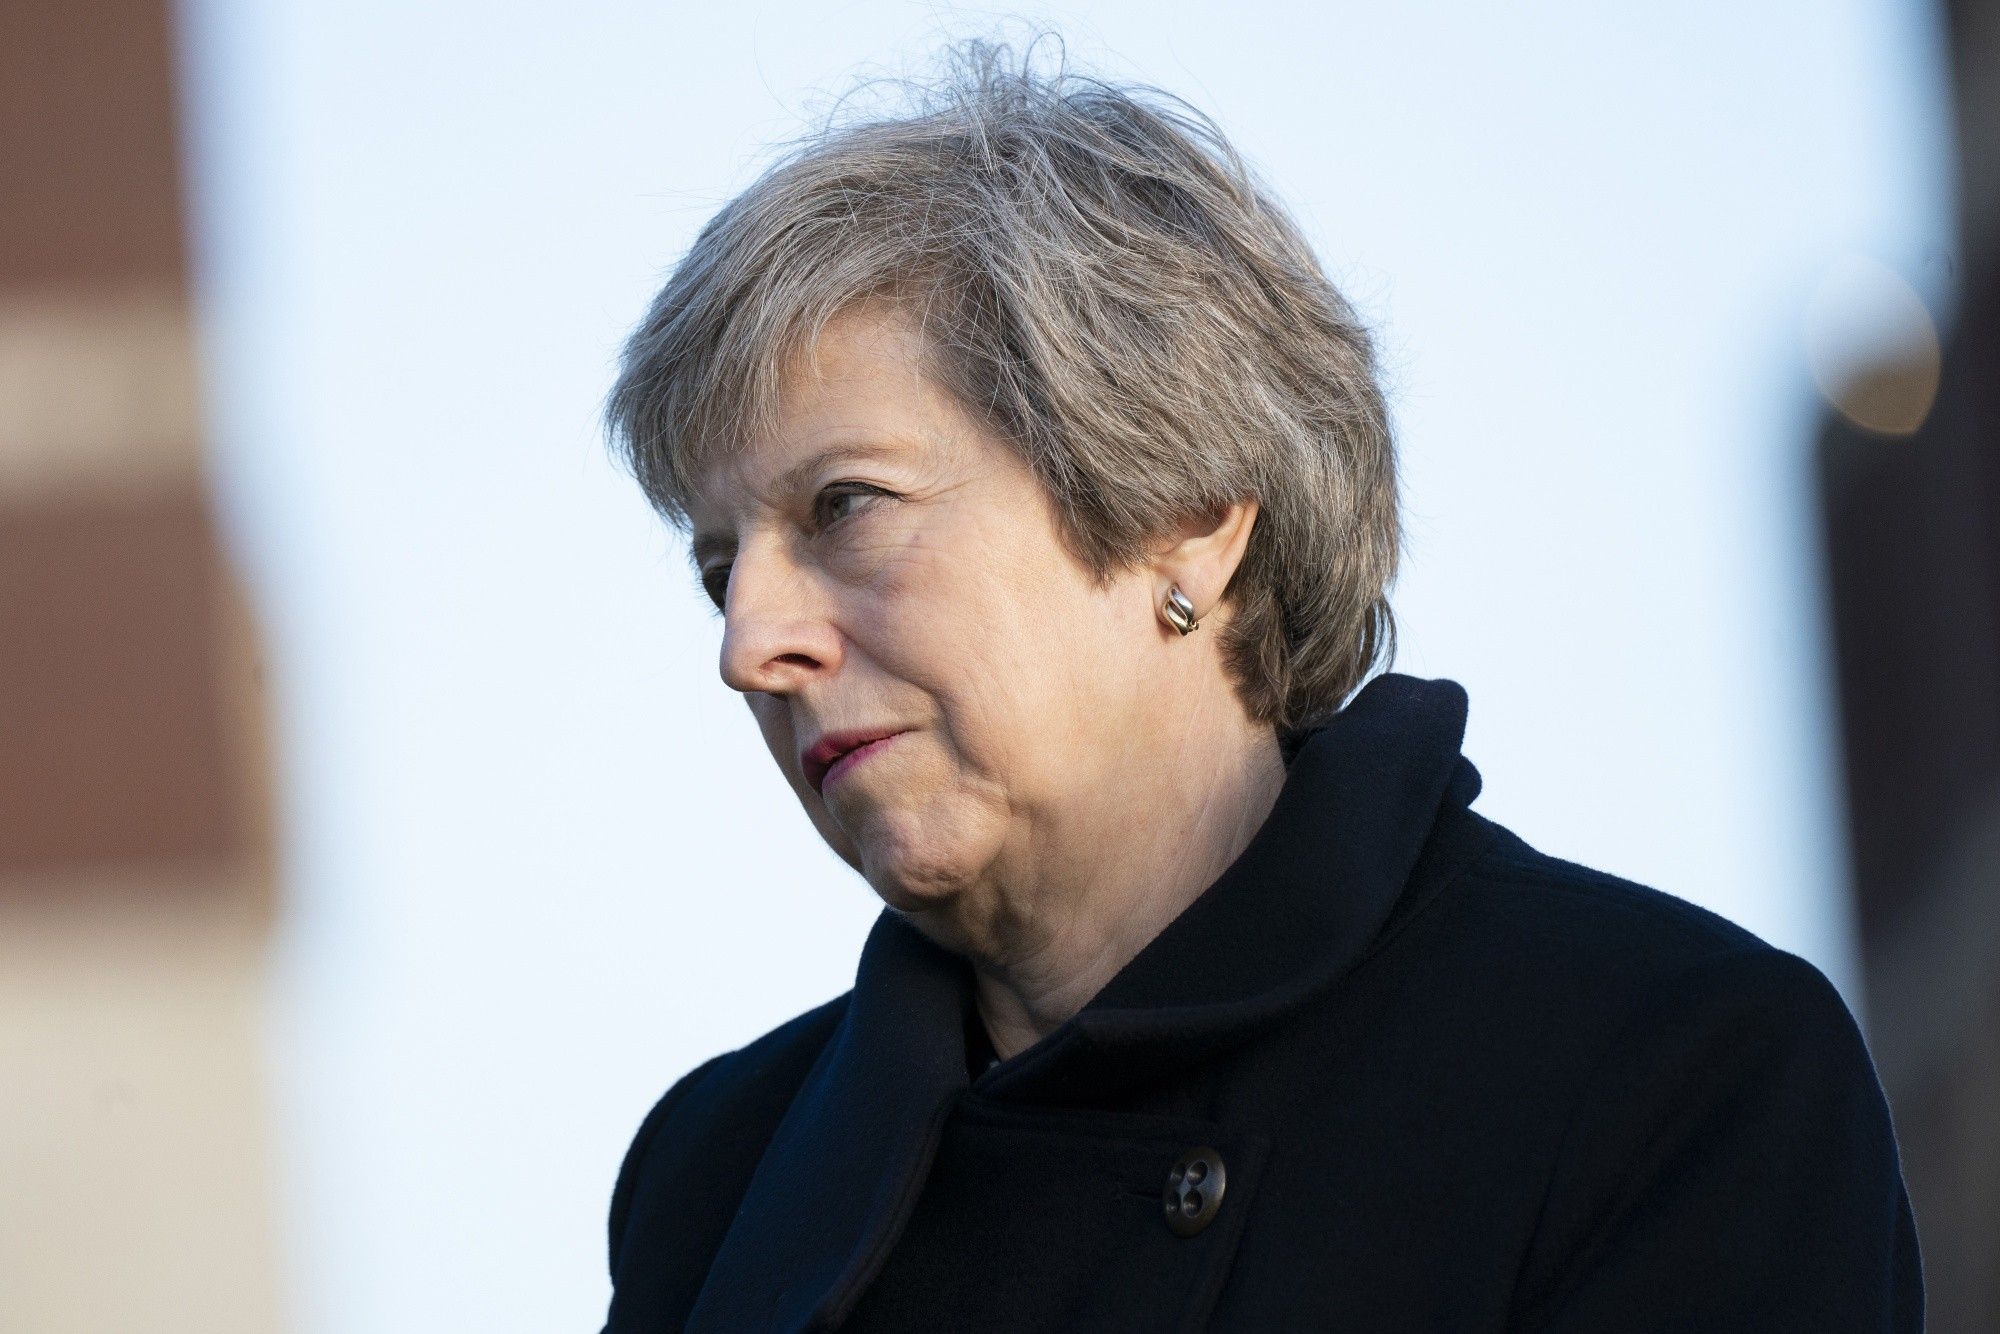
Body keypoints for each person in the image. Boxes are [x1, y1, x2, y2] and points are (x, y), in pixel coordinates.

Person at [596, 38, 1922, 1332]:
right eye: (722, 572)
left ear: (1182, 510)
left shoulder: (1669, 1071)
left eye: (845, 505)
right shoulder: (717, 1183)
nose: (749, 643)